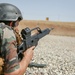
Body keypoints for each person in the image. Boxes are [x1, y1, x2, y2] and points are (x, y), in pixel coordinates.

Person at [0, 3, 35, 75]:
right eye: (17, 24)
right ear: (11, 23)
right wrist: (27, 57)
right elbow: (12, 74)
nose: (17, 29)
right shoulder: (6, 31)